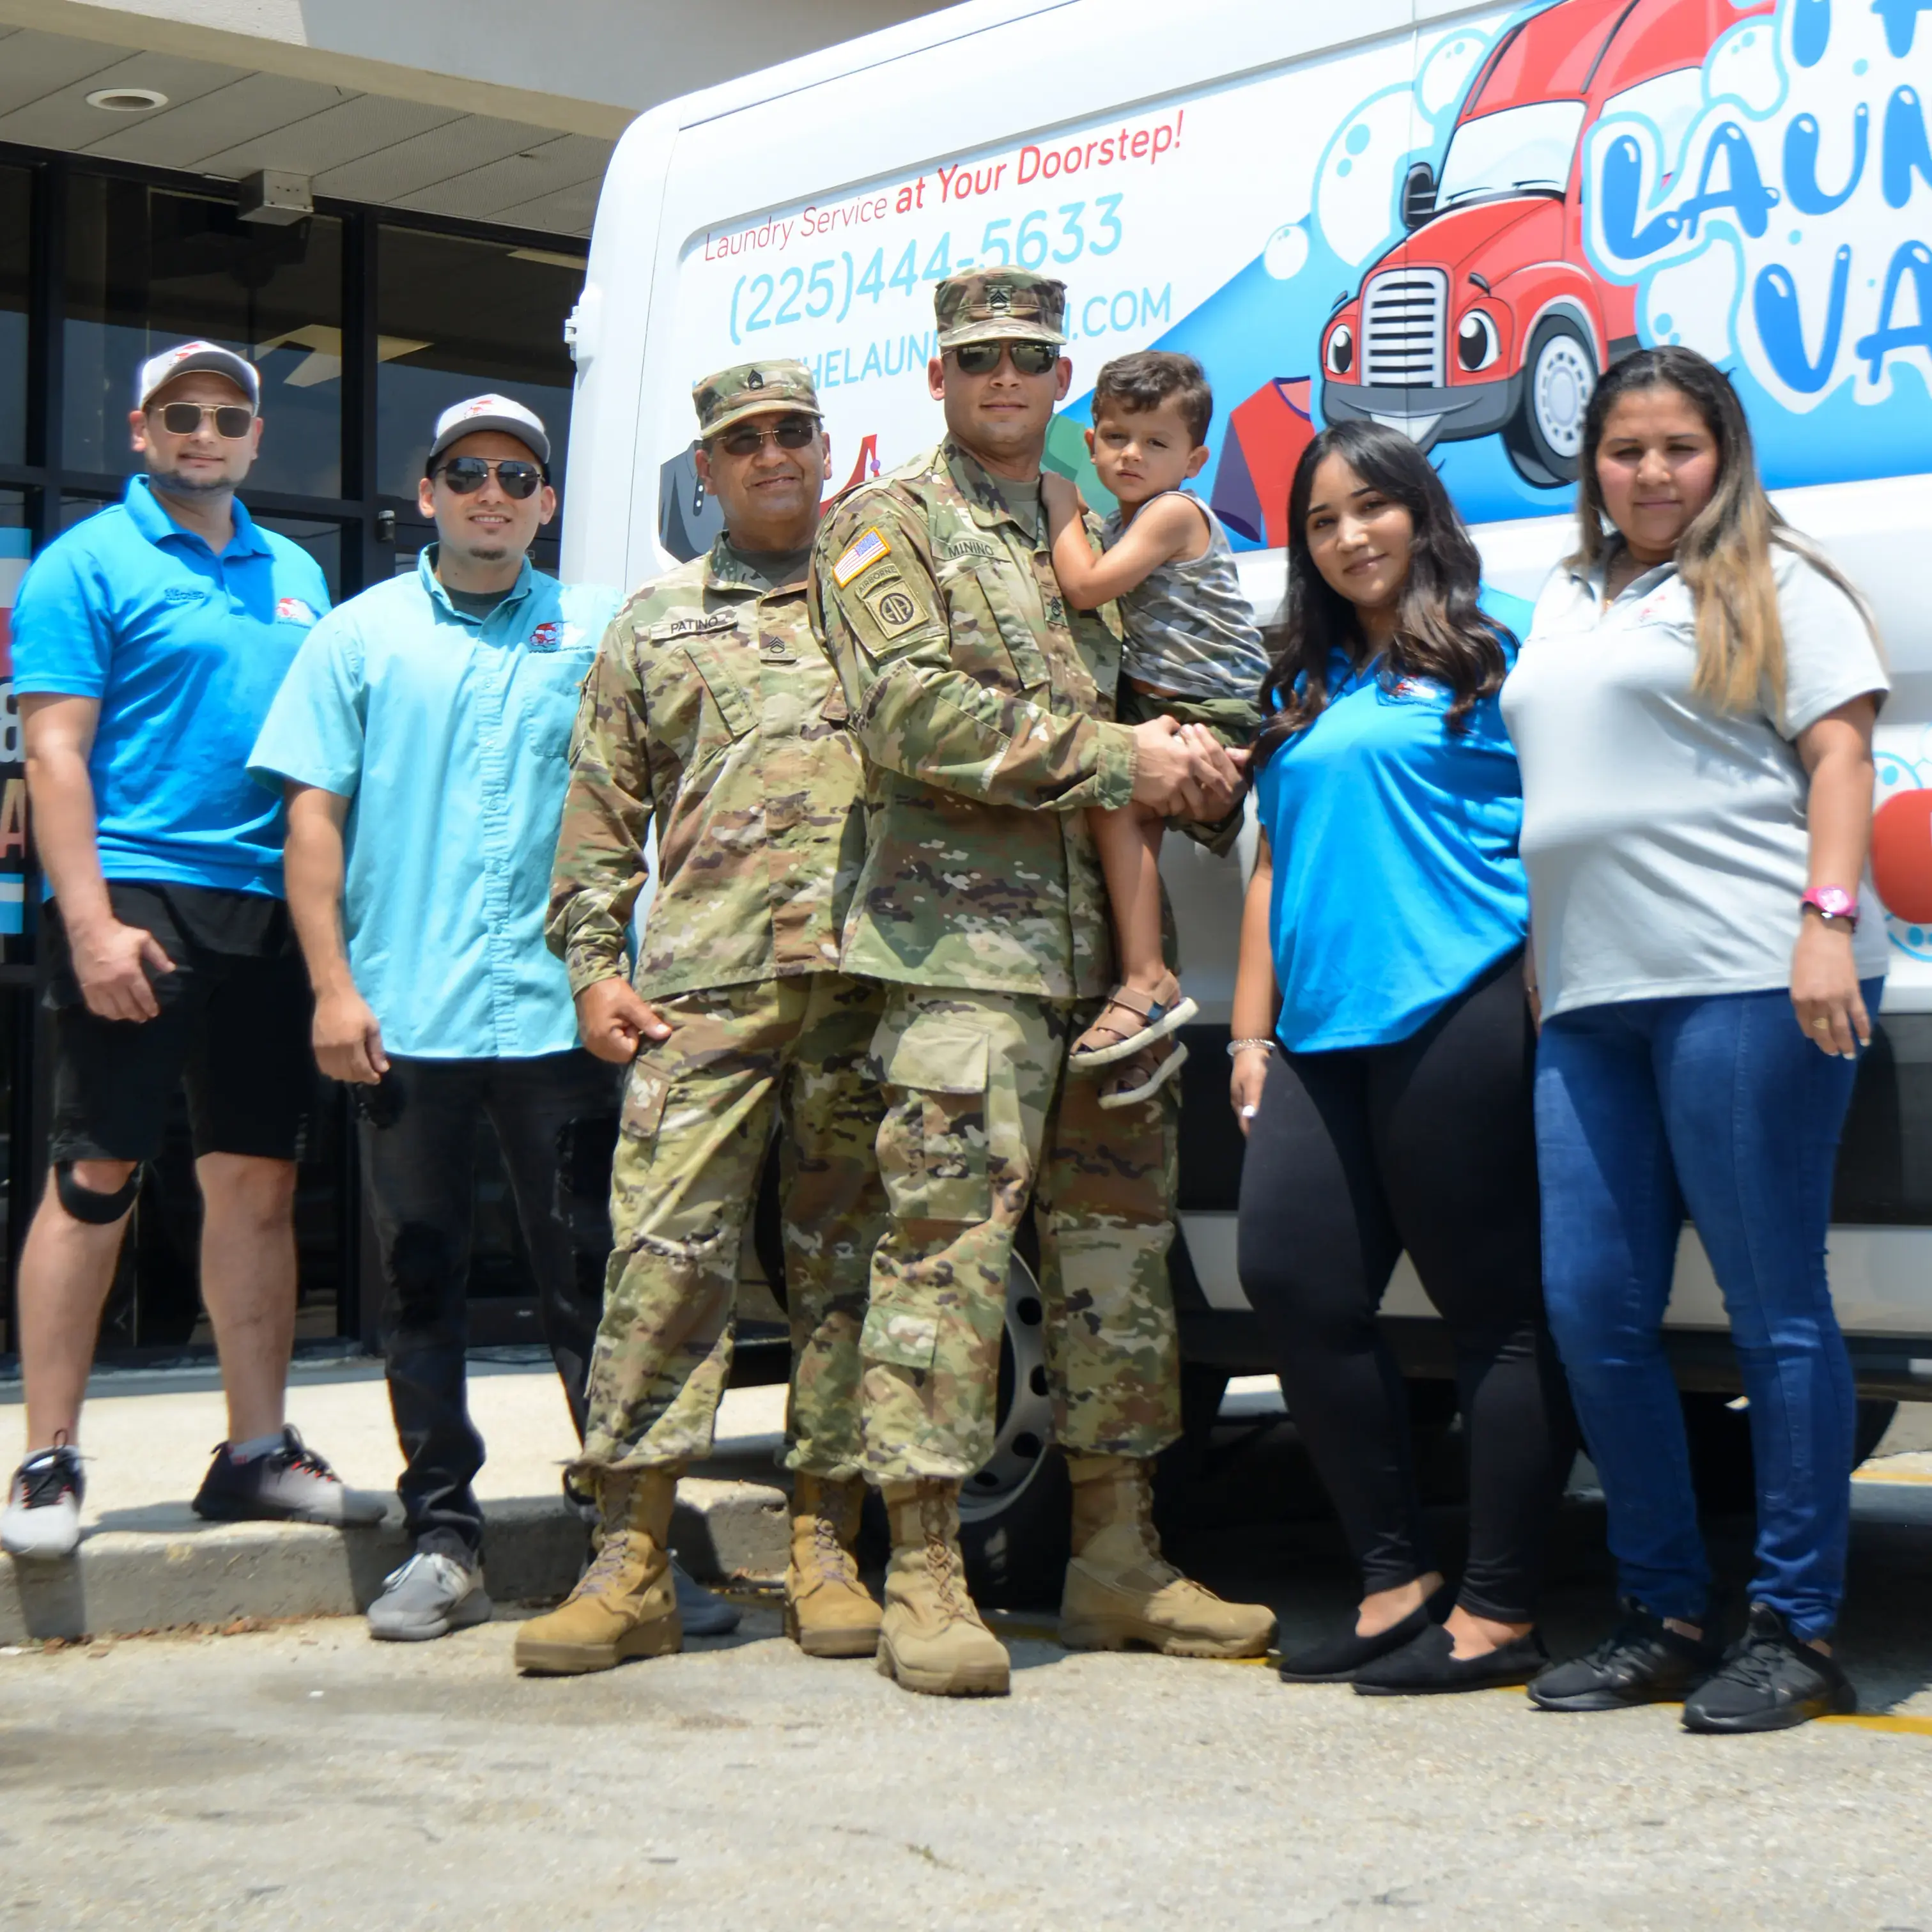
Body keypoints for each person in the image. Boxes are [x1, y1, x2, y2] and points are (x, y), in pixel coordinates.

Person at [810, 268, 1276, 1699]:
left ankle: (1116, 1558)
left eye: (1026, 359)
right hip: (960, 956)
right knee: (946, 1256)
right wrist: (1120, 759)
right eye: (976, 359)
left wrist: (1197, 771)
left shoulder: (1094, 521)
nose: (1003, 379)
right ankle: (927, 1569)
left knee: (1115, 1259)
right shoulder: (886, 524)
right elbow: (908, 712)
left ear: (1057, 376)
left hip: (1109, 972)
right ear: (937, 380)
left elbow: (1156, 704)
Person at [250, 396, 733, 1644]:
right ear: (427, 492)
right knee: (424, 1282)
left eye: (518, 474)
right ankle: (443, 1534)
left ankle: (625, 1547)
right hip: (404, 1017)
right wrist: (332, 988)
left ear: (546, 502)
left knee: (596, 1285)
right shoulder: (358, 638)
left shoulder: (597, 632)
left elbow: (662, 794)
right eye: (466, 470)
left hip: (561, 1023)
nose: (492, 491)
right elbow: (312, 826)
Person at [1503, 346, 1889, 1734]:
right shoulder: (1558, 594)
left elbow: (1836, 756)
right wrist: (1550, 957)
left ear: (1719, 453)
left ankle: (1793, 1624)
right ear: (1587, 461)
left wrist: (1823, 921)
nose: (1650, 472)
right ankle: (1658, 1608)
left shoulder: (1776, 578)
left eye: (1677, 446)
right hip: (1590, 1001)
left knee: (1770, 1305)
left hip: (1744, 977)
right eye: (1624, 448)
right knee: (1590, 1308)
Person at [514, 361, 891, 1676]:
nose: (773, 456)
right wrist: (587, 965)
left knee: (843, 1272)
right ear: (710, 472)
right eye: (745, 443)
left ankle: (825, 1544)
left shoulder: (883, 605)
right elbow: (600, 806)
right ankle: (628, 1561)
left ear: (823, 450)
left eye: (793, 433)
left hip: (857, 994)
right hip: (700, 997)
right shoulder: (654, 622)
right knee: (661, 1266)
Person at [0, 342, 379, 1560]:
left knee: (257, 1180)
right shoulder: (84, 562)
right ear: (140, 429)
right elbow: (54, 753)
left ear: (256, 436)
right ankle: (47, 1455)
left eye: (227, 416)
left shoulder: (297, 573)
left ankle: (254, 1450)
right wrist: (90, 919)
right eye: (183, 415)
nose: (205, 433)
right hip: (137, 896)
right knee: (95, 1170)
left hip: (267, 905)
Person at [1230, 420, 1576, 1694]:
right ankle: (1392, 1580)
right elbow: (1270, 863)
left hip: (1462, 1004)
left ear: (1417, 511)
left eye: (1368, 508)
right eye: (1319, 521)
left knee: (1491, 1315)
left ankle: (1498, 1608)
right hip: (1316, 1035)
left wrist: (1550, 966)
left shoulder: (1502, 639)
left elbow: (1573, 805)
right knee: (1290, 1280)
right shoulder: (1303, 679)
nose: (1346, 536)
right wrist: (1247, 1032)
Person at [1042, 351, 1269, 1108]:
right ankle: (1150, 1011)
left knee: (1114, 791)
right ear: (1093, 439)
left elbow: (1083, 585)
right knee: (1111, 801)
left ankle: (1147, 980)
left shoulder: (1171, 514)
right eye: (1113, 436)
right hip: (1160, 704)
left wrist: (1055, 506)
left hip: (1215, 710)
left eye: (1154, 441)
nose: (1130, 454)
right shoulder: (1122, 519)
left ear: (1195, 458)